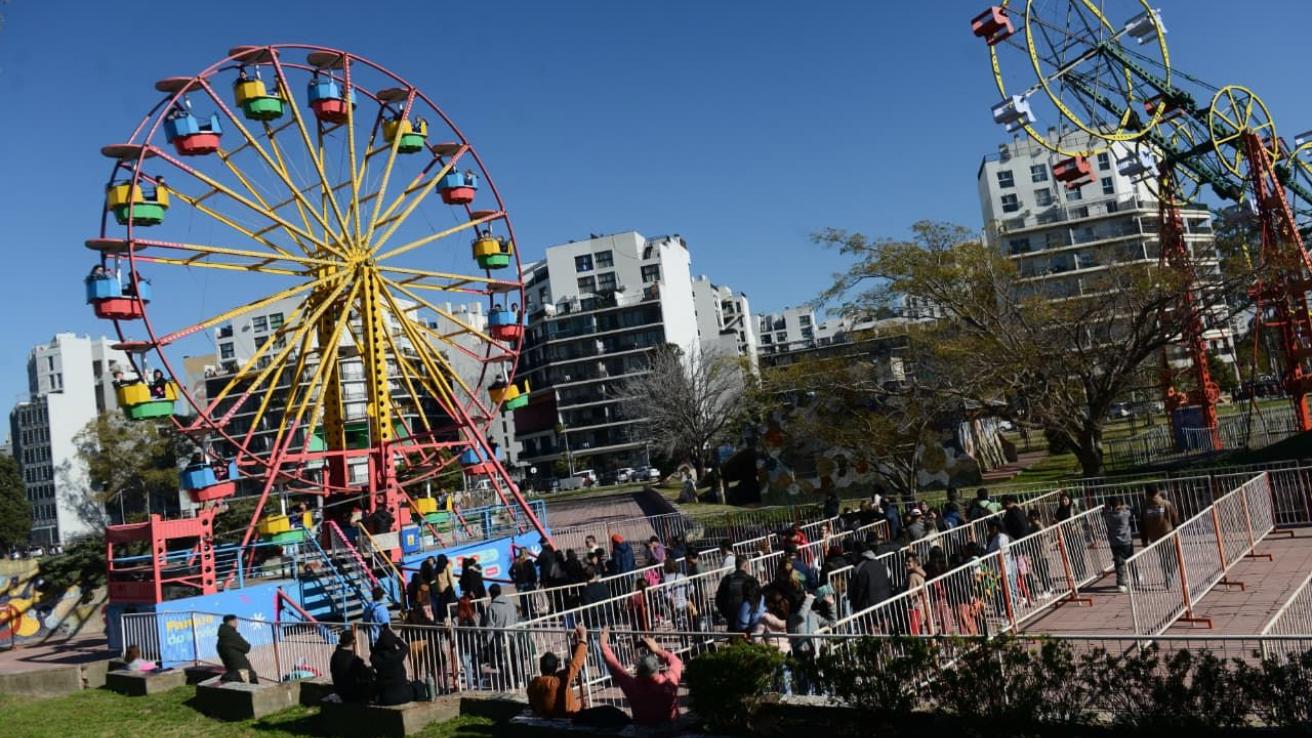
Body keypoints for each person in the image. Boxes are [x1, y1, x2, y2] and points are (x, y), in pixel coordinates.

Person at [598, 626, 683, 726]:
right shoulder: (669, 680)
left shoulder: (632, 686)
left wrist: (603, 645)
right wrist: (657, 650)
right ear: (657, 668)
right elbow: (676, 662)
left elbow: (616, 668)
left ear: (638, 671)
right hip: (671, 728)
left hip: (643, 729)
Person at [528, 624, 588, 719]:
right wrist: (583, 638)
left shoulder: (533, 685)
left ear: (541, 667)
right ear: (556, 667)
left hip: (546, 720)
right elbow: (575, 663)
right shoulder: (557, 681)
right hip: (566, 720)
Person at [1141, 486, 1181, 587]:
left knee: (1163, 556)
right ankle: (1169, 575)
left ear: (1147, 494)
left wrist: (1144, 540)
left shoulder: (1145, 507)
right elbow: (1175, 519)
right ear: (1158, 492)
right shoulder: (1166, 504)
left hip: (1154, 537)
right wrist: (1177, 531)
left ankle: (1167, 574)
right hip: (1167, 534)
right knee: (1172, 558)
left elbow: (1142, 525)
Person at [715, 556, 760, 632]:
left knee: (734, 638)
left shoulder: (727, 579)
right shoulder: (751, 580)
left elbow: (719, 600)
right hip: (748, 622)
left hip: (732, 620)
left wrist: (727, 614)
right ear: (745, 566)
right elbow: (758, 601)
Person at [370, 626, 411, 706]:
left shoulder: (376, 659)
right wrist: (396, 638)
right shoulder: (397, 656)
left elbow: (373, 652)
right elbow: (405, 647)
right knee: (416, 685)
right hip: (403, 696)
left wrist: (379, 643)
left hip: (386, 697)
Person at [330, 630, 374, 703]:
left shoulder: (335, 655)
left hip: (339, 689)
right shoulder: (354, 659)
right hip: (352, 692)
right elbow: (365, 673)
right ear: (353, 641)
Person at [848, 544, 893, 614]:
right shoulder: (883, 566)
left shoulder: (859, 569)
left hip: (869, 610)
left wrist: (856, 606)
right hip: (885, 605)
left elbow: (858, 590)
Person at [216, 614, 257, 683]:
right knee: (254, 688)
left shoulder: (222, 637)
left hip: (232, 671)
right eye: (234, 621)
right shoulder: (231, 635)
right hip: (242, 671)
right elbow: (247, 647)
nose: (236, 622)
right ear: (229, 622)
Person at [1105, 497, 1135, 592]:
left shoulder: (1108, 515)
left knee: (1119, 563)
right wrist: (1125, 507)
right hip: (1126, 541)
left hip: (1114, 542)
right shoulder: (1125, 514)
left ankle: (1121, 583)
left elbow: (1105, 510)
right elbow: (1133, 510)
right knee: (1131, 560)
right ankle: (1135, 577)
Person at [510, 547, 539, 619]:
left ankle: (525, 614)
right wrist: (534, 582)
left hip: (520, 584)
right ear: (526, 553)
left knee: (522, 599)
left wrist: (515, 580)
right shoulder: (529, 562)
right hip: (528, 583)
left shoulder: (516, 562)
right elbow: (533, 573)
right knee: (528, 599)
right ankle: (531, 613)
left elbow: (510, 572)